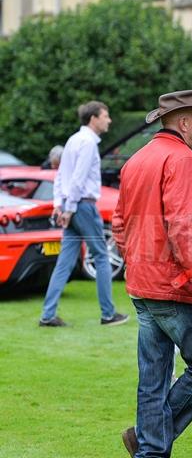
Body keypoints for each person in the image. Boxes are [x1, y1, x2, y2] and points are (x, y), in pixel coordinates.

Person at [112, 88, 192, 458]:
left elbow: (120, 224)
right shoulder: (181, 158)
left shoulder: (138, 158)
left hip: (143, 284)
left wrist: (140, 261)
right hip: (172, 287)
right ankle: (150, 446)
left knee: (154, 377)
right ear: (183, 122)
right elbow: (186, 227)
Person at [39, 101, 127, 327]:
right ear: (93, 118)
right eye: (105, 116)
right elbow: (77, 179)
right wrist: (68, 208)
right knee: (101, 256)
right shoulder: (87, 143)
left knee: (65, 262)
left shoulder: (72, 140)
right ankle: (108, 314)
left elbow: (61, 177)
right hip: (83, 206)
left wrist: (60, 205)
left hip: (72, 205)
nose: (109, 120)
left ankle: (48, 315)